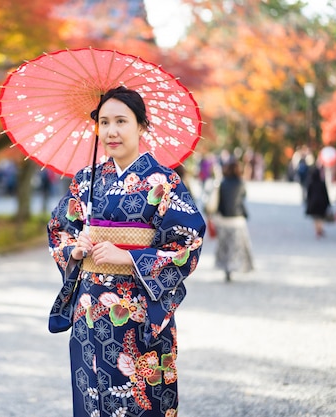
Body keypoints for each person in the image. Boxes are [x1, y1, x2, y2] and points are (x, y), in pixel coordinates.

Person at [47, 86, 206, 417]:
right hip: (90, 314)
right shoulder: (85, 181)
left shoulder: (164, 182)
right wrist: (75, 251)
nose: (111, 131)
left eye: (121, 121)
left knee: (139, 400)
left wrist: (131, 257)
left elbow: (187, 241)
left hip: (139, 311)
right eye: (104, 123)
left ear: (141, 126)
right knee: (92, 396)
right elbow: (59, 229)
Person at [214, 158, 254, 282]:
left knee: (225, 245)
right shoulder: (240, 183)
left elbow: (220, 202)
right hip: (237, 219)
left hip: (224, 219)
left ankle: (227, 268)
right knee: (237, 245)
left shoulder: (222, 183)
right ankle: (237, 265)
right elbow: (243, 197)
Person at [305, 164, 331, 238]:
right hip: (322, 204)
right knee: (321, 217)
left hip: (313, 204)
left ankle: (318, 230)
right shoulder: (322, 183)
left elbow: (308, 195)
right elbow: (326, 194)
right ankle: (320, 229)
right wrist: (328, 203)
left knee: (316, 218)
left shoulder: (311, 183)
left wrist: (308, 203)